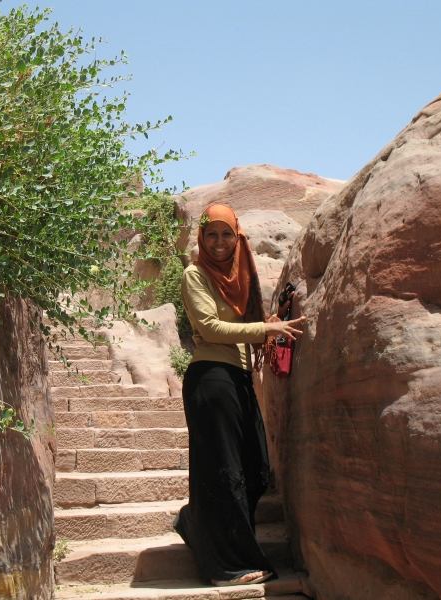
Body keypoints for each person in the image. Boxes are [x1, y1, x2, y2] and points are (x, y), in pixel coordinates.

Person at [173, 203, 306, 586]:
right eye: (211, 234)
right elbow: (211, 328)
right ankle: (228, 565)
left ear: (238, 237)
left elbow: (245, 323)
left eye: (226, 234)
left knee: (256, 470)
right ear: (201, 237)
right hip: (211, 379)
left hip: (239, 379)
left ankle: (196, 524)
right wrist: (261, 332)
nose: (218, 242)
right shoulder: (195, 275)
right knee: (225, 473)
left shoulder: (242, 276)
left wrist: (270, 320)